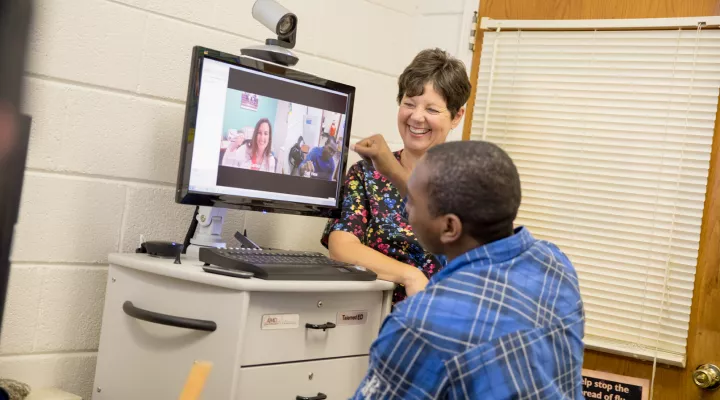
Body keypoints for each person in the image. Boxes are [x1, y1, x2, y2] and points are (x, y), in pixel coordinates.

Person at [351, 139, 585, 399]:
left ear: (450, 228)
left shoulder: (419, 325)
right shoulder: (554, 263)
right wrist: (393, 170)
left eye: (412, 201)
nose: (406, 208)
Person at [322, 48, 471, 304]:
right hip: (368, 321)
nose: (416, 117)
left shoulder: (470, 185)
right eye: (409, 104)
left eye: (432, 110)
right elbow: (342, 246)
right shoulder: (366, 174)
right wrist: (409, 276)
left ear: (457, 116)